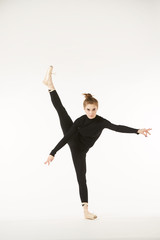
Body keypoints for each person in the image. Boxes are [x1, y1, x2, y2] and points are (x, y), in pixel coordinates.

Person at [43, 66, 152, 220]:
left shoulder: (101, 122)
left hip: (81, 150)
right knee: (61, 111)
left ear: (97, 108)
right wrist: (53, 152)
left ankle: (85, 211)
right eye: (88, 109)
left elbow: (117, 127)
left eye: (94, 109)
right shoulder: (80, 120)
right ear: (84, 109)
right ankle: (50, 86)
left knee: (81, 177)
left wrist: (137, 130)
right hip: (75, 144)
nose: (91, 112)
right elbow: (67, 137)